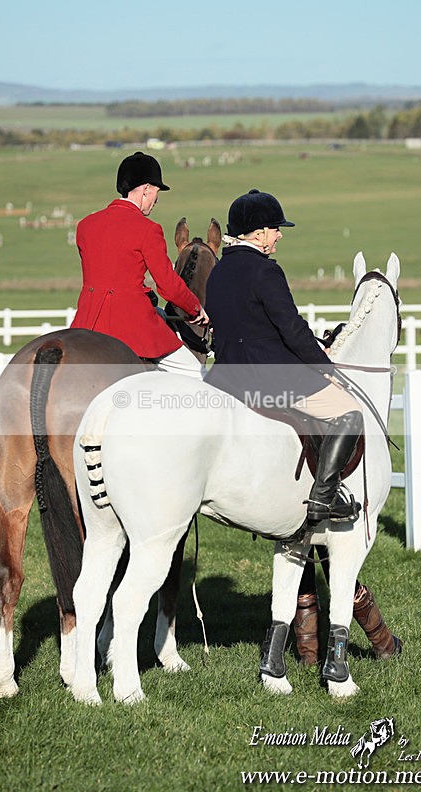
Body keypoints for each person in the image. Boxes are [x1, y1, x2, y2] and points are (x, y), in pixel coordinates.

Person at [204, 188, 362, 525]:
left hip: (224, 377)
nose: (279, 236)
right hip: (269, 378)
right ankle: (325, 498)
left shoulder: (218, 272)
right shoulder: (265, 271)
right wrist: (324, 366)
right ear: (259, 233)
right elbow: (290, 327)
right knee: (349, 412)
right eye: (276, 229)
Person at [70, 150, 209, 377]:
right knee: (196, 373)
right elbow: (167, 285)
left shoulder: (85, 226)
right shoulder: (148, 229)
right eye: (156, 191)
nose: (157, 199)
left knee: (161, 316)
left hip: (86, 323)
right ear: (146, 189)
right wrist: (195, 309)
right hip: (130, 325)